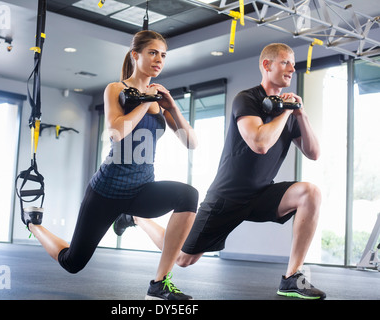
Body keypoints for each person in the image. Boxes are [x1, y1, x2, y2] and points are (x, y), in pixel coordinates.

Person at [114, 43, 326, 300]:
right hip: (227, 197)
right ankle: (137, 218)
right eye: (285, 62)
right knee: (183, 258)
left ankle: (292, 278)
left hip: (261, 193)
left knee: (310, 193)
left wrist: (300, 114)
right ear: (267, 65)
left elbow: (313, 153)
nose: (292, 68)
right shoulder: (247, 99)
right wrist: (285, 113)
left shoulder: (291, 112)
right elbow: (260, 143)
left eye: (293, 63)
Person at [22, 30, 199, 300]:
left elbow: (191, 142)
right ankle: (34, 225)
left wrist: (171, 107)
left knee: (188, 195)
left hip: (142, 187)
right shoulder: (117, 89)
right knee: (73, 262)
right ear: (135, 55)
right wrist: (146, 101)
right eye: (152, 53)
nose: (159, 59)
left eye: (163, 55)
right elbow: (116, 132)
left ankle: (158, 284)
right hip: (107, 191)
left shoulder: (160, 99)